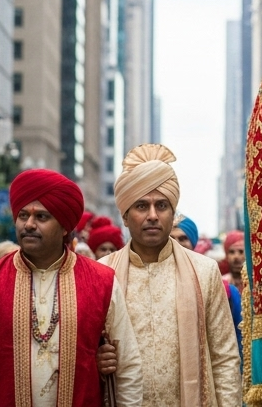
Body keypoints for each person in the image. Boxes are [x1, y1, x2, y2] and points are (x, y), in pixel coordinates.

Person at [0, 168, 143, 407]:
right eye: (23, 215)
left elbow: (128, 367)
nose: (29, 224)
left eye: (42, 217)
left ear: (65, 227)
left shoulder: (102, 282)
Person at [100, 145, 241, 406]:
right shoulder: (102, 274)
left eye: (161, 205)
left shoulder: (204, 271)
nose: (152, 215)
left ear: (172, 213)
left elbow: (224, 357)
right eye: (142, 205)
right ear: (125, 216)